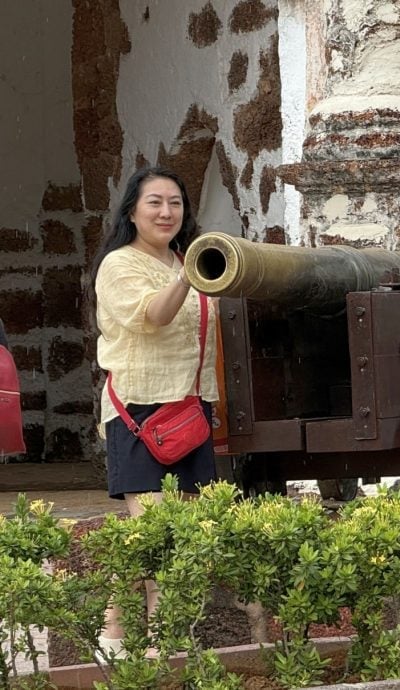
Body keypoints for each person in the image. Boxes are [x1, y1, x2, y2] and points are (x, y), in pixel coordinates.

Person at [87, 166, 219, 658]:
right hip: (142, 412)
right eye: (155, 203)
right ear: (132, 212)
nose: (167, 212)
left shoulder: (185, 259)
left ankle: (118, 637)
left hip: (190, 408)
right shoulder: (120, 265)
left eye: (176, 204)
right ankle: (158, 646)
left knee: (163, 536)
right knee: (158, 534)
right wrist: (188, 276)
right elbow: (156, 314)